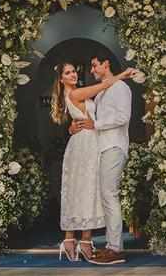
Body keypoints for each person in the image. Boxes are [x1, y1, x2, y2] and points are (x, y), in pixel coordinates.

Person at [50, 61, 136, 262]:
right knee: (79, 189)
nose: (73, 75)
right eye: (68, 73)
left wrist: (74, 126)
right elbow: (102, 86)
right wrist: (123, 74)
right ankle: (73, 240)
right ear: (61, 78)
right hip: (84, 143)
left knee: (89, 190)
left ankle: (84, 241)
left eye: (74, 71)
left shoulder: (78, 92)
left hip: (94, 141)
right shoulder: (74, 94)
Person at [70, 52, 133, 265]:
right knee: (107, 197)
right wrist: (73, 128)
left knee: (109, 195)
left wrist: (95, 125)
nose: (92, 70)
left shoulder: (120, 88)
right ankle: (110, 246)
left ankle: (116, 249)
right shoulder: (101, 93)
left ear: (106, 64)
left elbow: (123, 117)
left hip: (114, 146)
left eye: (95, 65)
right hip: (102, 148)